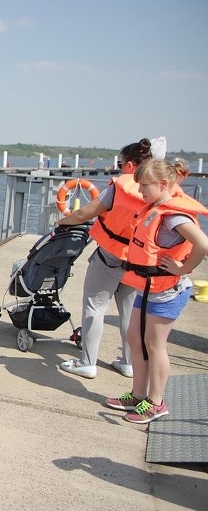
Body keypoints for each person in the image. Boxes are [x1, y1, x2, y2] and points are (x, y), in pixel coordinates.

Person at [106, 159, 207, 423]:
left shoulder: (174, 215)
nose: (140, 192)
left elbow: (203, 244)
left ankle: (156, 402)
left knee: (155, 344)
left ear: (163, 184)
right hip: (148, 287)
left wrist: (183, 268)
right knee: (134, 337)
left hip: (167, 290)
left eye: (145, 186)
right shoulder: (155, 208)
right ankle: (138, 394)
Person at [56, 139, 156, 379]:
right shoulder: (156, 190)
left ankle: (87, 362)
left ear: (131, 165)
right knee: (129, 312)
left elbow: (85, 213)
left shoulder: (119, 187)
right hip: (139, 261)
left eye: (121, 163)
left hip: (110, 255)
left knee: (94, 306)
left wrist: (62, 222)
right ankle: (128, 363)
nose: (120, 168)